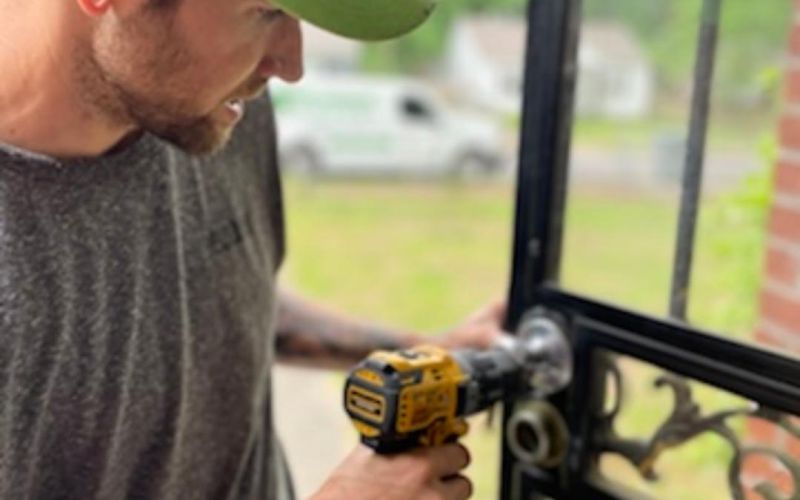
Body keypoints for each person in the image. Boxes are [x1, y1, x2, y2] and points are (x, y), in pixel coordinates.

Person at [0, 0, 507, 498]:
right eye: (267, 13)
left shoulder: (209, 108)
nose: (291, 65)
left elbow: (218, 285)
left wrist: (423, 351)